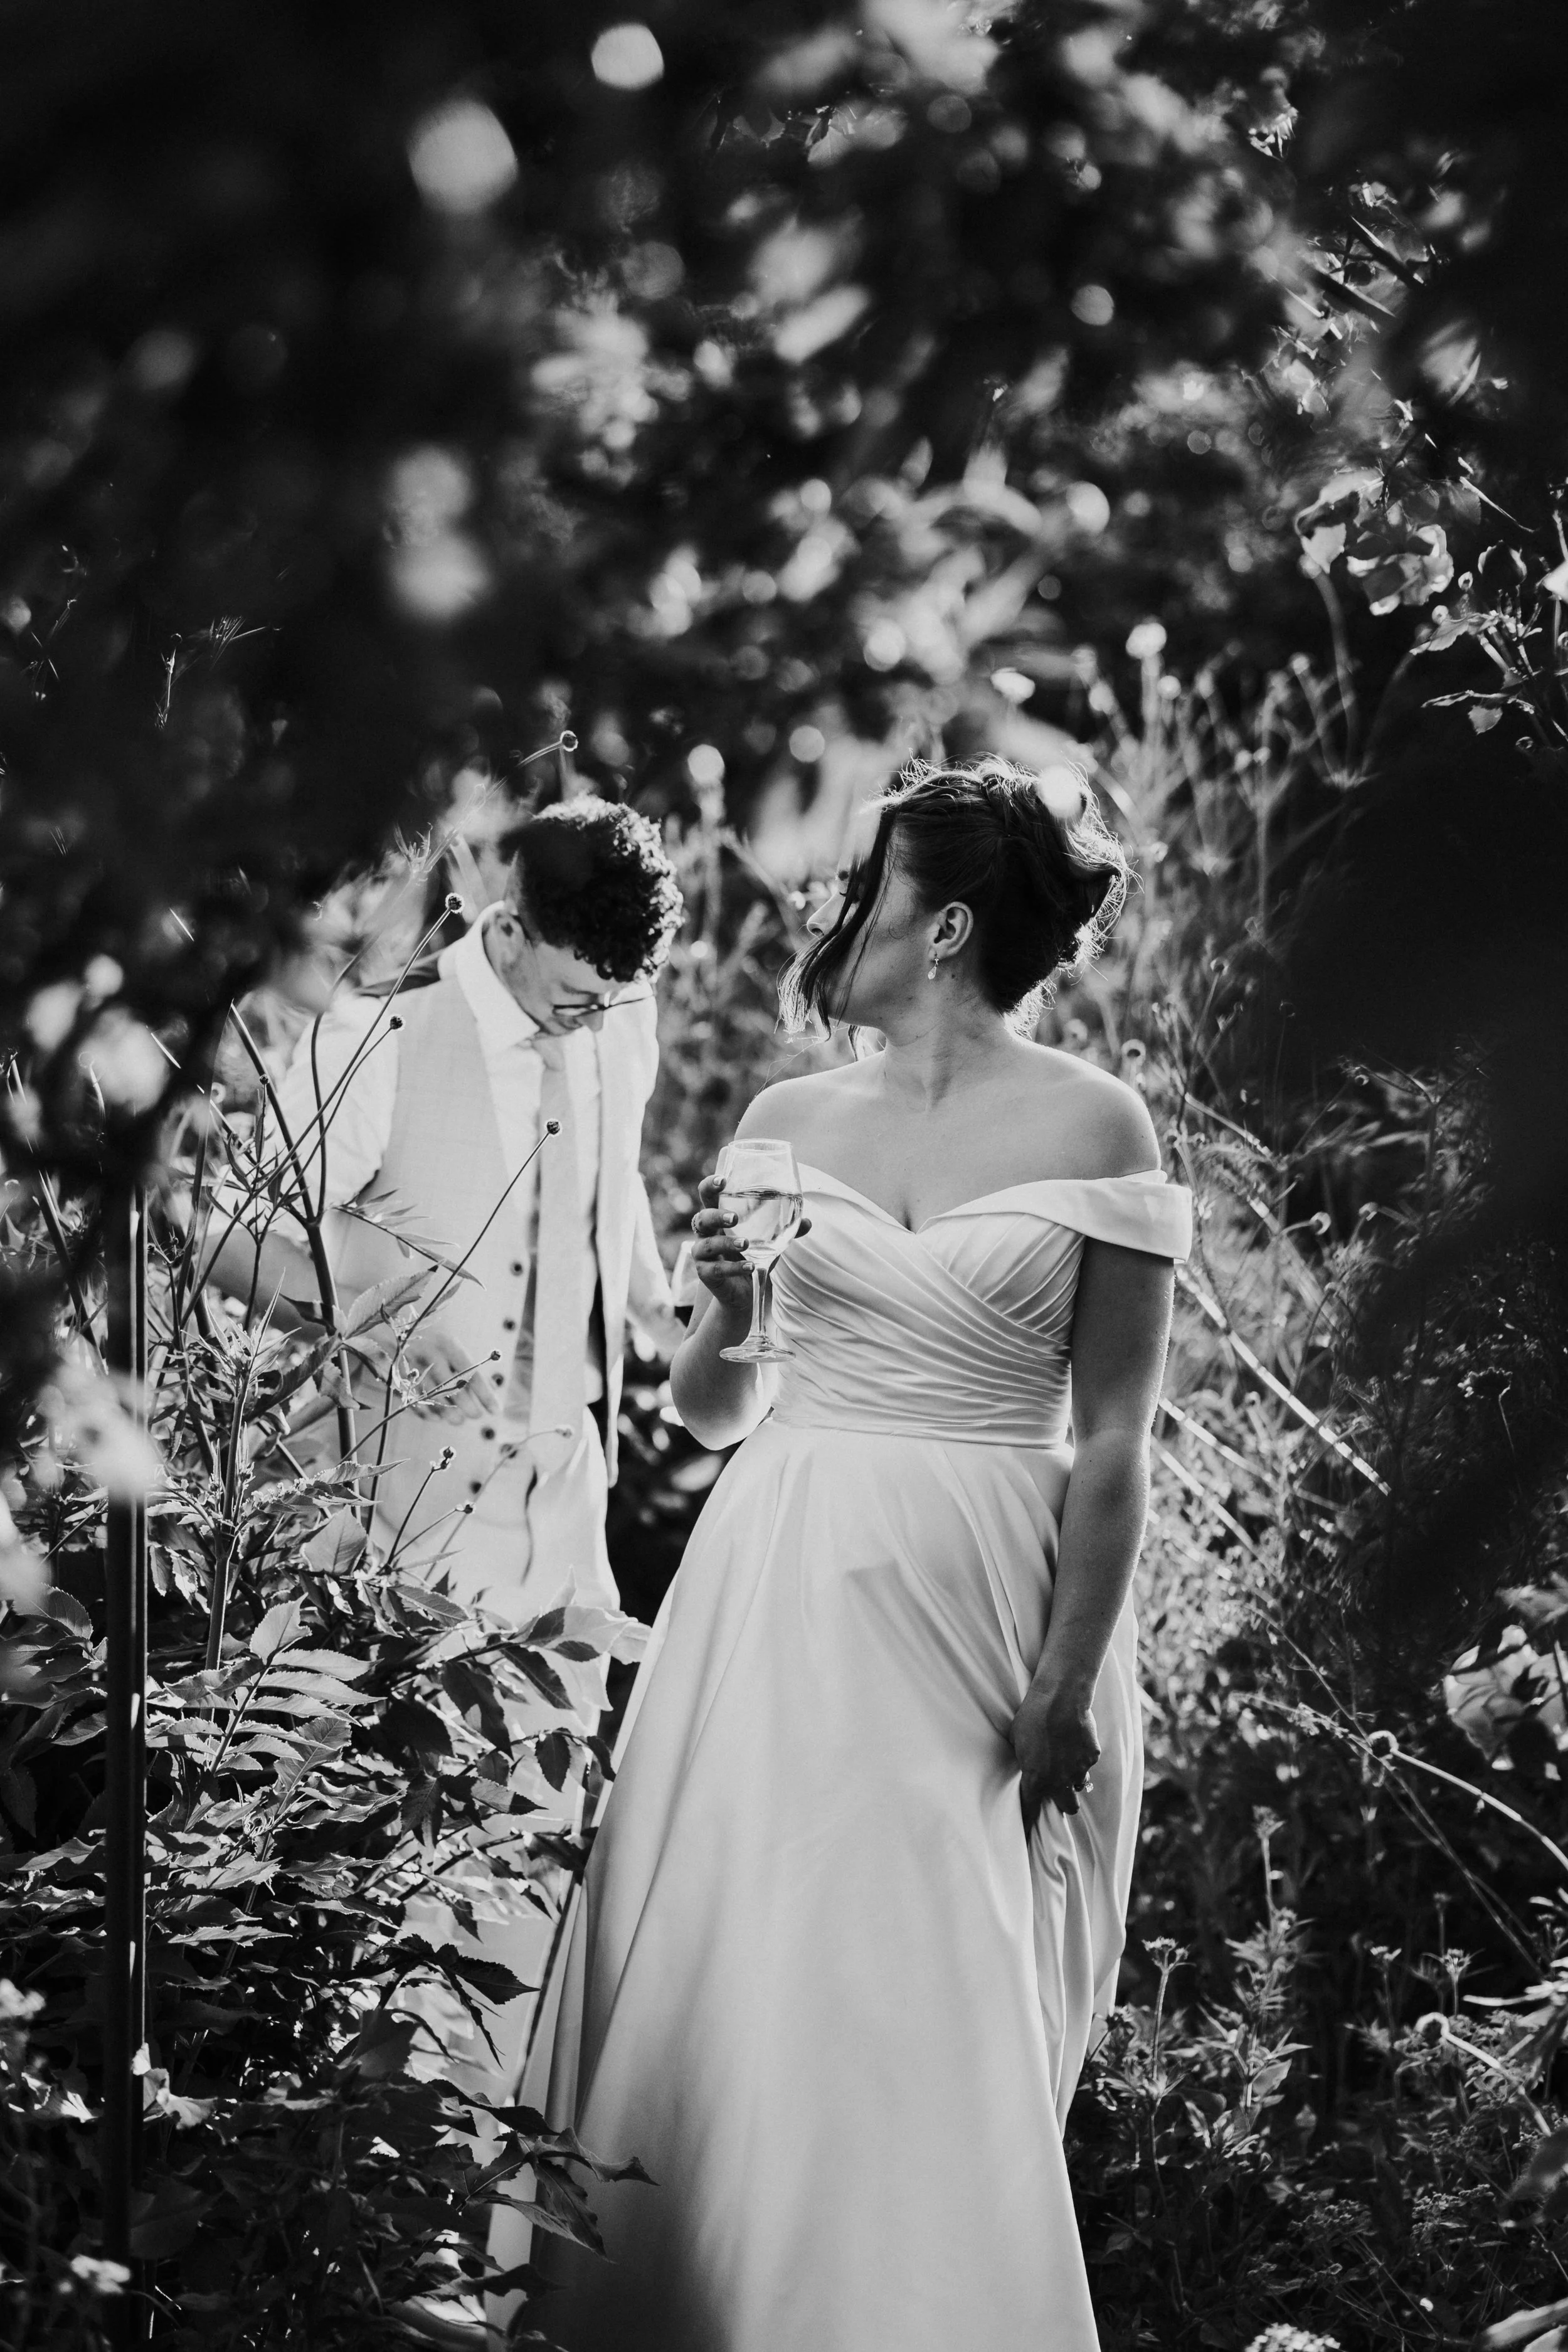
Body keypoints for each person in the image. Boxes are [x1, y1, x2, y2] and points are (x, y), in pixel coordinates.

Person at [512, 760, 1192, 2351]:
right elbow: (709, 1404)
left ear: (943, 923)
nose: (838, 919)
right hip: (782, 1579)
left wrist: (1066, 1678)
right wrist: (736, 1317)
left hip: (983, 1598)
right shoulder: (782, 1122)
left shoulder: (1097, 1126)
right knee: (762, 1951)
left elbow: (1110, 1443)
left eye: (864, 888)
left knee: (928, 1975)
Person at [209, 793, 685, 1618]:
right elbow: (231, 1240)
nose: (594, 1023)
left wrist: (669, 1316)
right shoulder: (373, 1036)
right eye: (575, 996)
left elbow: (610, 1181)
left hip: (570, 1522)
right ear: (510, 929)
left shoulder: (614, 1021)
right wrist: (374, 1324)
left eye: (617, 1000)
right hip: (397, 1526)